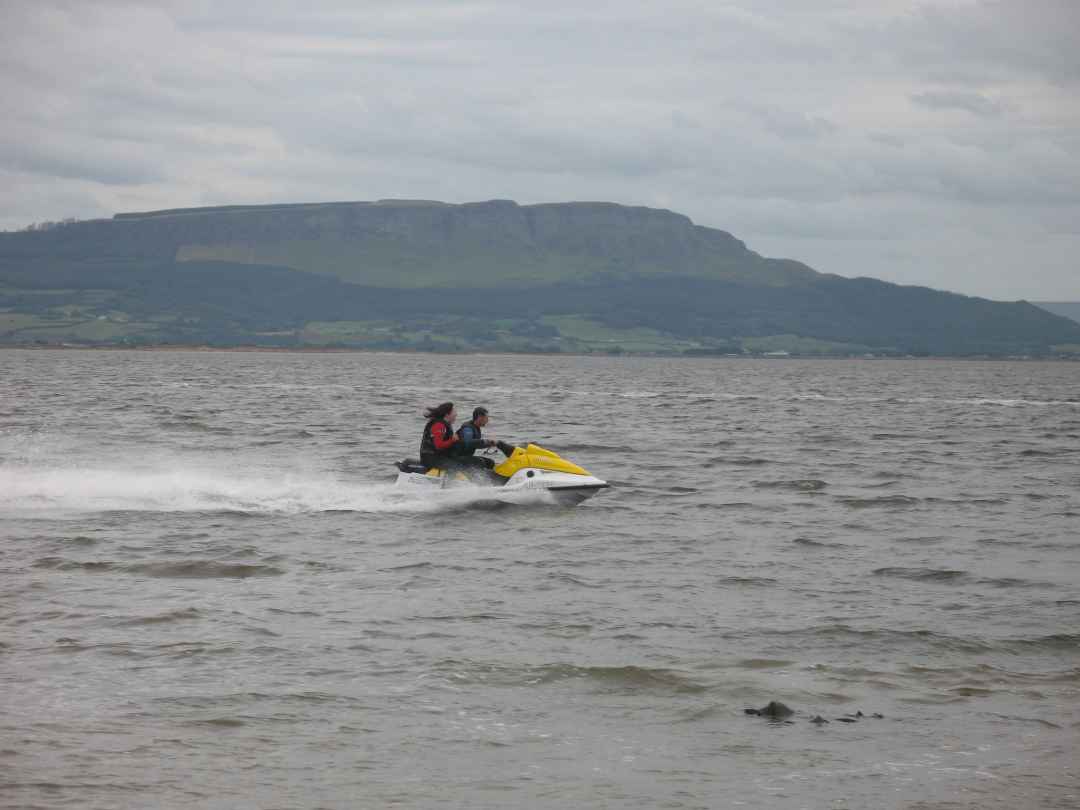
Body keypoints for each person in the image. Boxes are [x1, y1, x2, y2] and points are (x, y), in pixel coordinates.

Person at [419, 401, 461, 470]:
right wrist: (452, 440)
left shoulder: (446, 424)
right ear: (447, 414)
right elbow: (438, 445)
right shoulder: (439, 425)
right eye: (454, 412)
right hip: (430, 458)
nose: (456, 414)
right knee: (455, 468)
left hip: (439, 457)